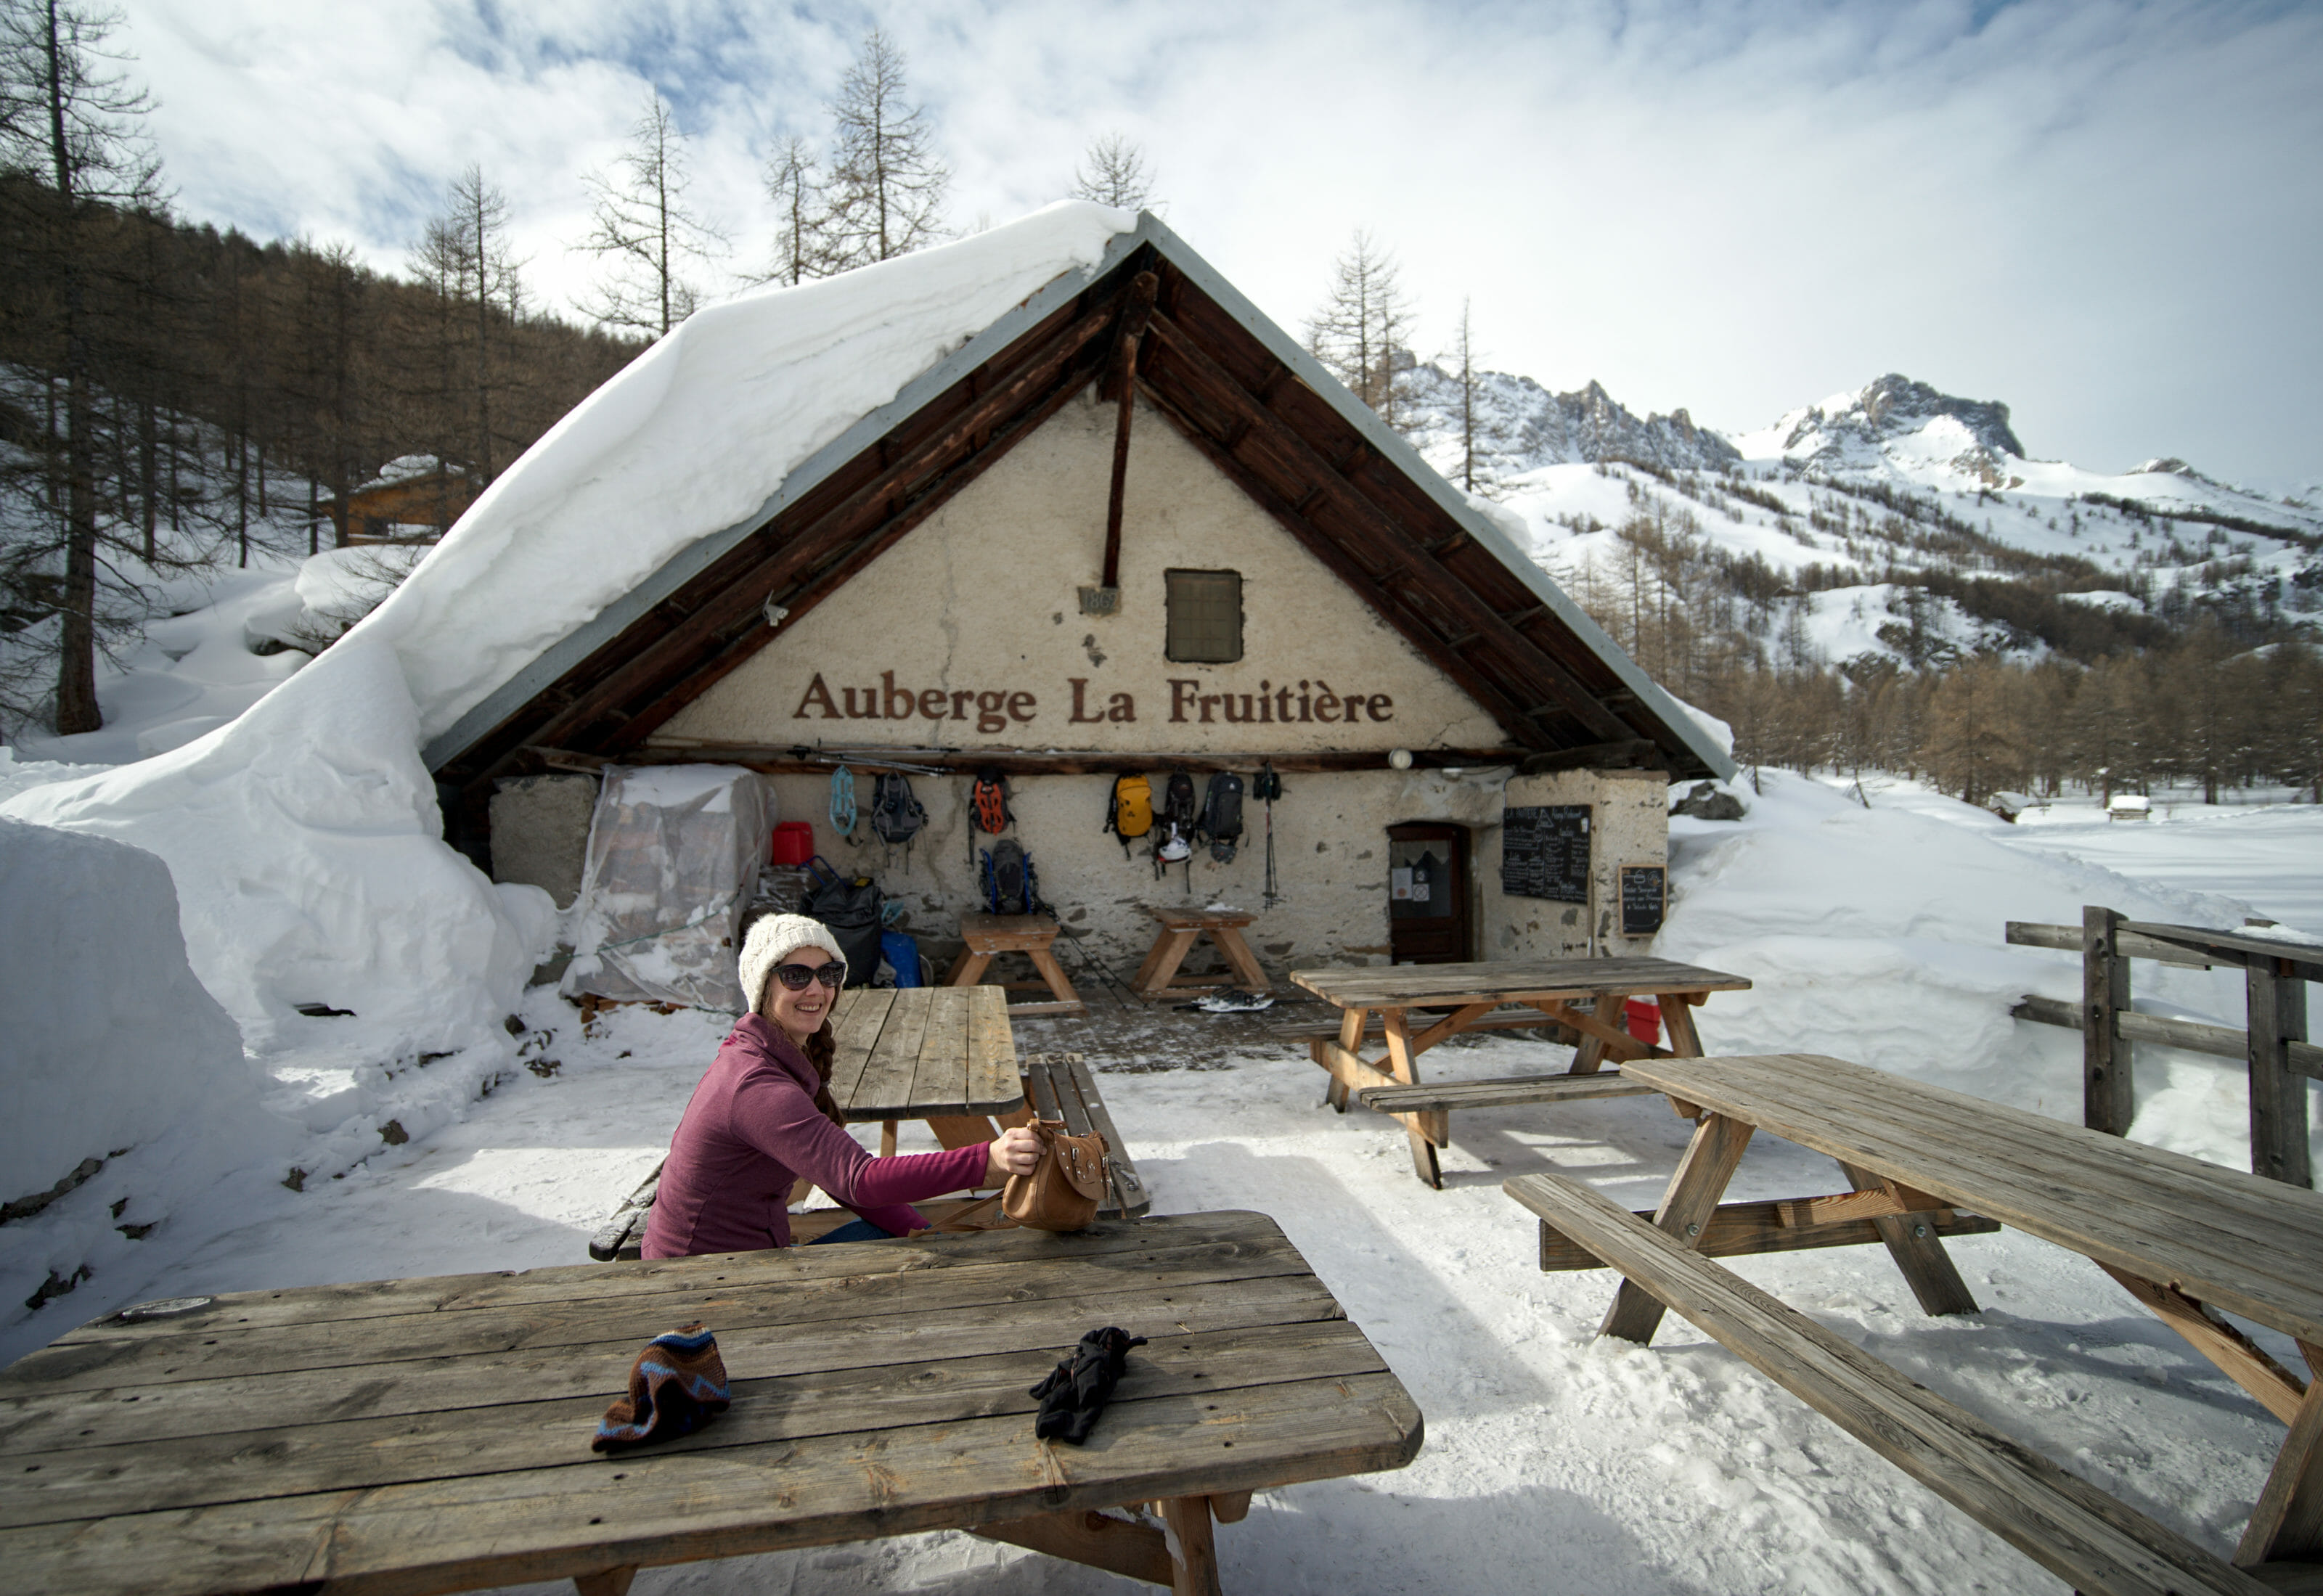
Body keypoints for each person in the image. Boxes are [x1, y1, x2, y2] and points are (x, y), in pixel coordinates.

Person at [641, 914, 1041, 1258]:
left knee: (923, 1250)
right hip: (700, 1285)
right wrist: (986, 1160)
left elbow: (844, 1183)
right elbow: (861, 1180)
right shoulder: (756, 1086)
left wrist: (922, 1230)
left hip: (739, 1262)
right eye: (796, 976)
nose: (816, 989)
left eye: (829, 973)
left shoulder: (773, 1057)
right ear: (763, 989)